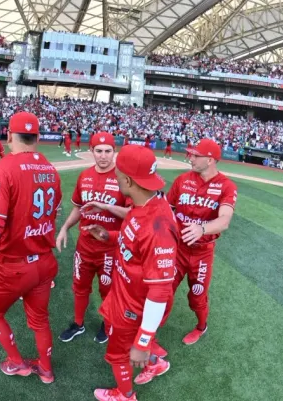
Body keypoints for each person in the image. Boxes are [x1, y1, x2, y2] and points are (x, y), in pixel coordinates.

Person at [0, 111, 62, 384]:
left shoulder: (3, 169)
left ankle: (18, 363)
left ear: (8, 135)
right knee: (40, 320)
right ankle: (45, 370)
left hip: (14, 264)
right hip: (44, 260)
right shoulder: (50, 169)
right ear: (39, 137)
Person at [84, 145, 178, 401]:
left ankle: (125, 396)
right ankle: (156, 362)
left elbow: (160, 289)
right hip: (126, 295)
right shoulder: (146, 203)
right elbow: (135, 242)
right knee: (126, 347)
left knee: (119, 355)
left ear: (127, 180)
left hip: (133, 306)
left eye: (117, 176)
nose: (114, 179)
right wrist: (108, 236)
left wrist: (144, 342)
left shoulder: (156, 224)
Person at [55, 132, 129, 344]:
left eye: (108, 151)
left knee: (107, 290)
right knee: (79, 287)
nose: (103, 156)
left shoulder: (122, 178)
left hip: (110, 247)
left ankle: (107, 325)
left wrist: (106, 206)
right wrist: (65, 228)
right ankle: (78, 324)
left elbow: (132, 214)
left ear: (114, 152)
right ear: (92, 151)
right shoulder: (85, 176)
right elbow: (79, 207)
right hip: (84, 246)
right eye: (99, 151)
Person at [163, 138, 237, 346]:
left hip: (202, 253)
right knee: (164, 289)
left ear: (210, 160)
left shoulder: (226, 186)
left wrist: (201, 228)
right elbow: (169, 208)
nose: (191, 158)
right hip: (177, 248)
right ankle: (151, 332)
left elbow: (224, 220)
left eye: (196, 155)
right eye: (191, 154)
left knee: (196, 297)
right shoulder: (182, 180)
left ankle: (201, 326)